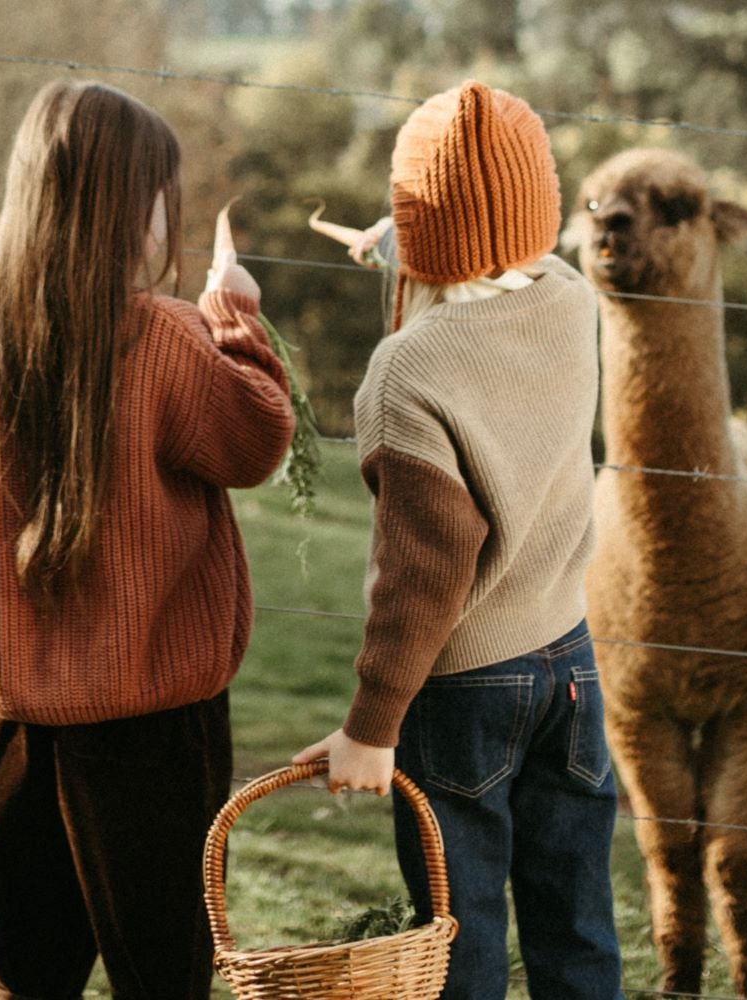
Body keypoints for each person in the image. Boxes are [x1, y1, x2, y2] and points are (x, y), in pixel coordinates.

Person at [0, 79, 294, 1000]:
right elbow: (257, 441)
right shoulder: (167, 338)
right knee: (162, 972)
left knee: (25, 969)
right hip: (156, 726)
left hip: (27, 720)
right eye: (165, 195)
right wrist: (236, 318)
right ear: (131, 210)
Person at [295, 79, 621, 1000]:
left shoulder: (408, 371)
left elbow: (423, 576)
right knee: (577, 924)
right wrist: (409, 244)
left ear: (417, 231)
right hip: (570, 664)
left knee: (461, 937)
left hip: (463, 688)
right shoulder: (570, 302)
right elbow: (499, 262)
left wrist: (371, 728)